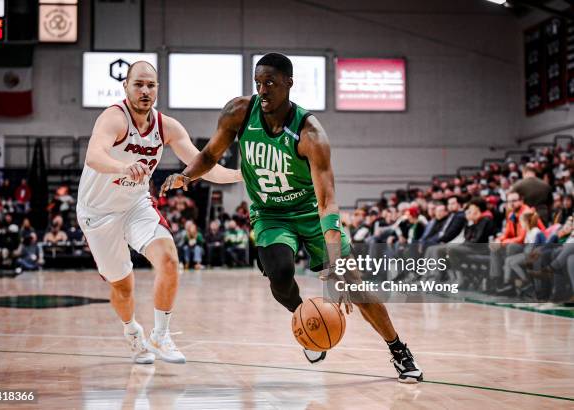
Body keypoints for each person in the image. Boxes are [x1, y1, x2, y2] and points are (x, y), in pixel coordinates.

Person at [160, 53, 422, 383]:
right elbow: (211, 154)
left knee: (354, 286)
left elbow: (327, 203)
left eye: (270, 83)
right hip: (270, 214)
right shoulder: (239, 113)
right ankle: (308, 321)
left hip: (310, 213)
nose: (263, 90)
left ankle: (398, 349)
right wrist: (186, 176)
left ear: (289, 84)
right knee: (280, 274)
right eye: (258, 83)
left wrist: (334, 265)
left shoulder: (310, 134)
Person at [76, 61, 242, 364]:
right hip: (98, 213)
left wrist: (240, 176)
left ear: (157, 90)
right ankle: (132, 332)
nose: (145, 91)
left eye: (151, 85)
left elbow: (203, 166)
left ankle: (160, 334)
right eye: (138, 84)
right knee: (123, 287)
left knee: (168, 258)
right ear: (125, 86)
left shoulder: (167, 127)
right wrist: (123, 166)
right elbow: (95, 155)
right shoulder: (114, 118)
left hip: (135, 204)